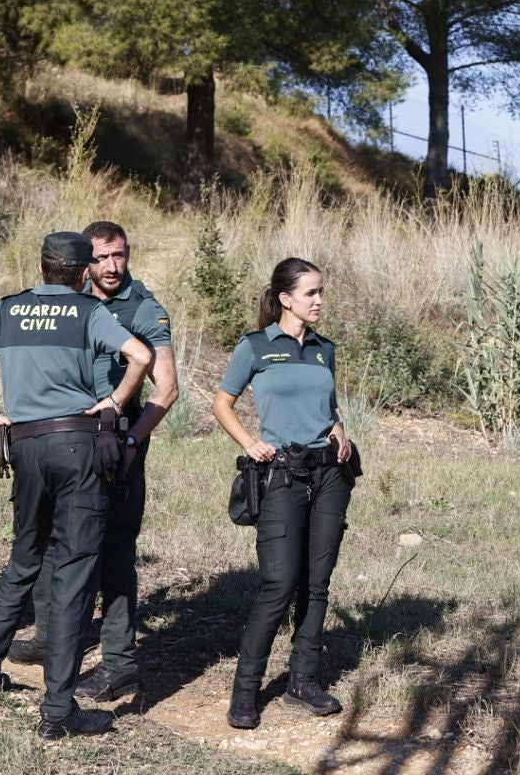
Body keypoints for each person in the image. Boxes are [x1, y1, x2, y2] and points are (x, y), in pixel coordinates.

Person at [0, 232, 153, 740]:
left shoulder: (8, 310)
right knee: (76, 572)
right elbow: (140, 357)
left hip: (25, 446)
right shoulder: (88, 311)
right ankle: (58, 711)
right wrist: (114, 402)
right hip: (77, 448)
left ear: (41, 268)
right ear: (83, 273)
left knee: (25, 558)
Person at [14, 221, 179, 705]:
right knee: (50, 536)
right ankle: (49, 636)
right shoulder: (68, 300)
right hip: (61, 440)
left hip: (115, 442)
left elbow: (167, 389)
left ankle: (119, 664)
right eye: (102, 257)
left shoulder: (142, 307)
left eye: (120, 255)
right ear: (83, 261)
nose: (112, 266)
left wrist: (130, 440)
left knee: (114, 550)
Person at [212, 257, 356, 730]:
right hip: (282, 476)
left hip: (329, 475)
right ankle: (245, 691)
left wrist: (339, 430)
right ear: (285, 298)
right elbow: (222, 403)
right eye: (311, 292)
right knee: (278, 584)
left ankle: (302, 681)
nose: (319, 301)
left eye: (321, 292)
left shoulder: (323, 348)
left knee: (317, 583)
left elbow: (329, 407)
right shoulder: (255, 346)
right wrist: (249, 442)